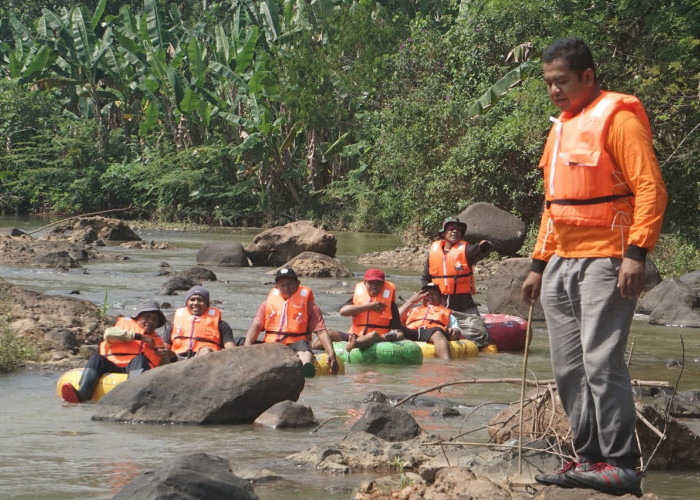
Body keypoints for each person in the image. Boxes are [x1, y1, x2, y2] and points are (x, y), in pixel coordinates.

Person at [521, 38, 667, 497]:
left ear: (588, 77)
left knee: (601, 361)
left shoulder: (619, 120)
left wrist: (636, 253)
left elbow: (651, 190)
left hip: (608, 258)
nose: (554, 91)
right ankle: (588, 459)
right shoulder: (560, 128)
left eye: (561, 82)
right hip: (561, 260)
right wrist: (537, 265)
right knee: (567, 366)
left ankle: (621, 465)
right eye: (548, 83)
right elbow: (552, 206)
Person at [60, 300, 172, 403]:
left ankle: (132, 397)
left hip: (135, 368)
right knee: (96, 358)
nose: (150, 321)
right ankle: (82, 395)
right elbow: (108, 334)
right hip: (113, 366)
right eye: (146, 317)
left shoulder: (157, 341)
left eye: (155, 319)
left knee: (140, 359)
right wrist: (139, 336)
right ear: (137, 317)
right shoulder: (123, 326)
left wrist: (167, 357)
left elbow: (162, 368)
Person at [244, 267, 339, 377]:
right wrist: (247, 345)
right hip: (271, 345)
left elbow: (321, 331)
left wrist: (331, 352)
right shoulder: (266, 304)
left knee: (303, 346)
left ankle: (306, 367)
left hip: (295, 345)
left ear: (298, 284)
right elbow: (257, 325)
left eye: (290, 284)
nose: (286, 288)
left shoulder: (310, 307)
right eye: (282, 285)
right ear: (276, 287)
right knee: (239, 341)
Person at [421, 217, 494, 314]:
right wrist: (427, 295)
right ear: (443, 233)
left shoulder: (466, 251)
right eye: (451, 228)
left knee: (479, 329)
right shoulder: (434, 252)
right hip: (440, 306)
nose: (455, 231)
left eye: (459, 229)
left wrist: (483, 247)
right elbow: (425, 278)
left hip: (464, 306)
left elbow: (477, 249)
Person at [340, 268, 408, 351]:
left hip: (377, 337)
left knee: (373, 335)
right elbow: (343, 311)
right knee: (330, 333)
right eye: (371, 283)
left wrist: (392, 337)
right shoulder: (357, 298)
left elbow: (400, 333)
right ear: (365, 283)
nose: (374, 287)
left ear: (383, 284)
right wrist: (370, 306)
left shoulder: (390, 304)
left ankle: (354, 345)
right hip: (354, 335)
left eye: (378, 284)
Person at [163, 286, 236, 358]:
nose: (195, 303)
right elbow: (165, 347)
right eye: (192, 299)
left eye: (200, 300)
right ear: (187, 303)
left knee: (206, 351)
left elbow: (230, 349)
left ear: (207, 304)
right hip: (177, 358)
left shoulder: (221, 325)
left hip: (203, 359)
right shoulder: (174, 325)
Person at [398, 283, 461, 360]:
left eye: (434, 294)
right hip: (412, 332)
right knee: (396, 327)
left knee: (437, 333)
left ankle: (446, 365)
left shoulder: (447, 313)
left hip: (432, 333)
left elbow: (456, 330)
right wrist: (411, 301)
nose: (430, 296)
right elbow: (395, 318)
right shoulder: (413, 310)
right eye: (427, 294)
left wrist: (455, 331)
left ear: (440, 298)